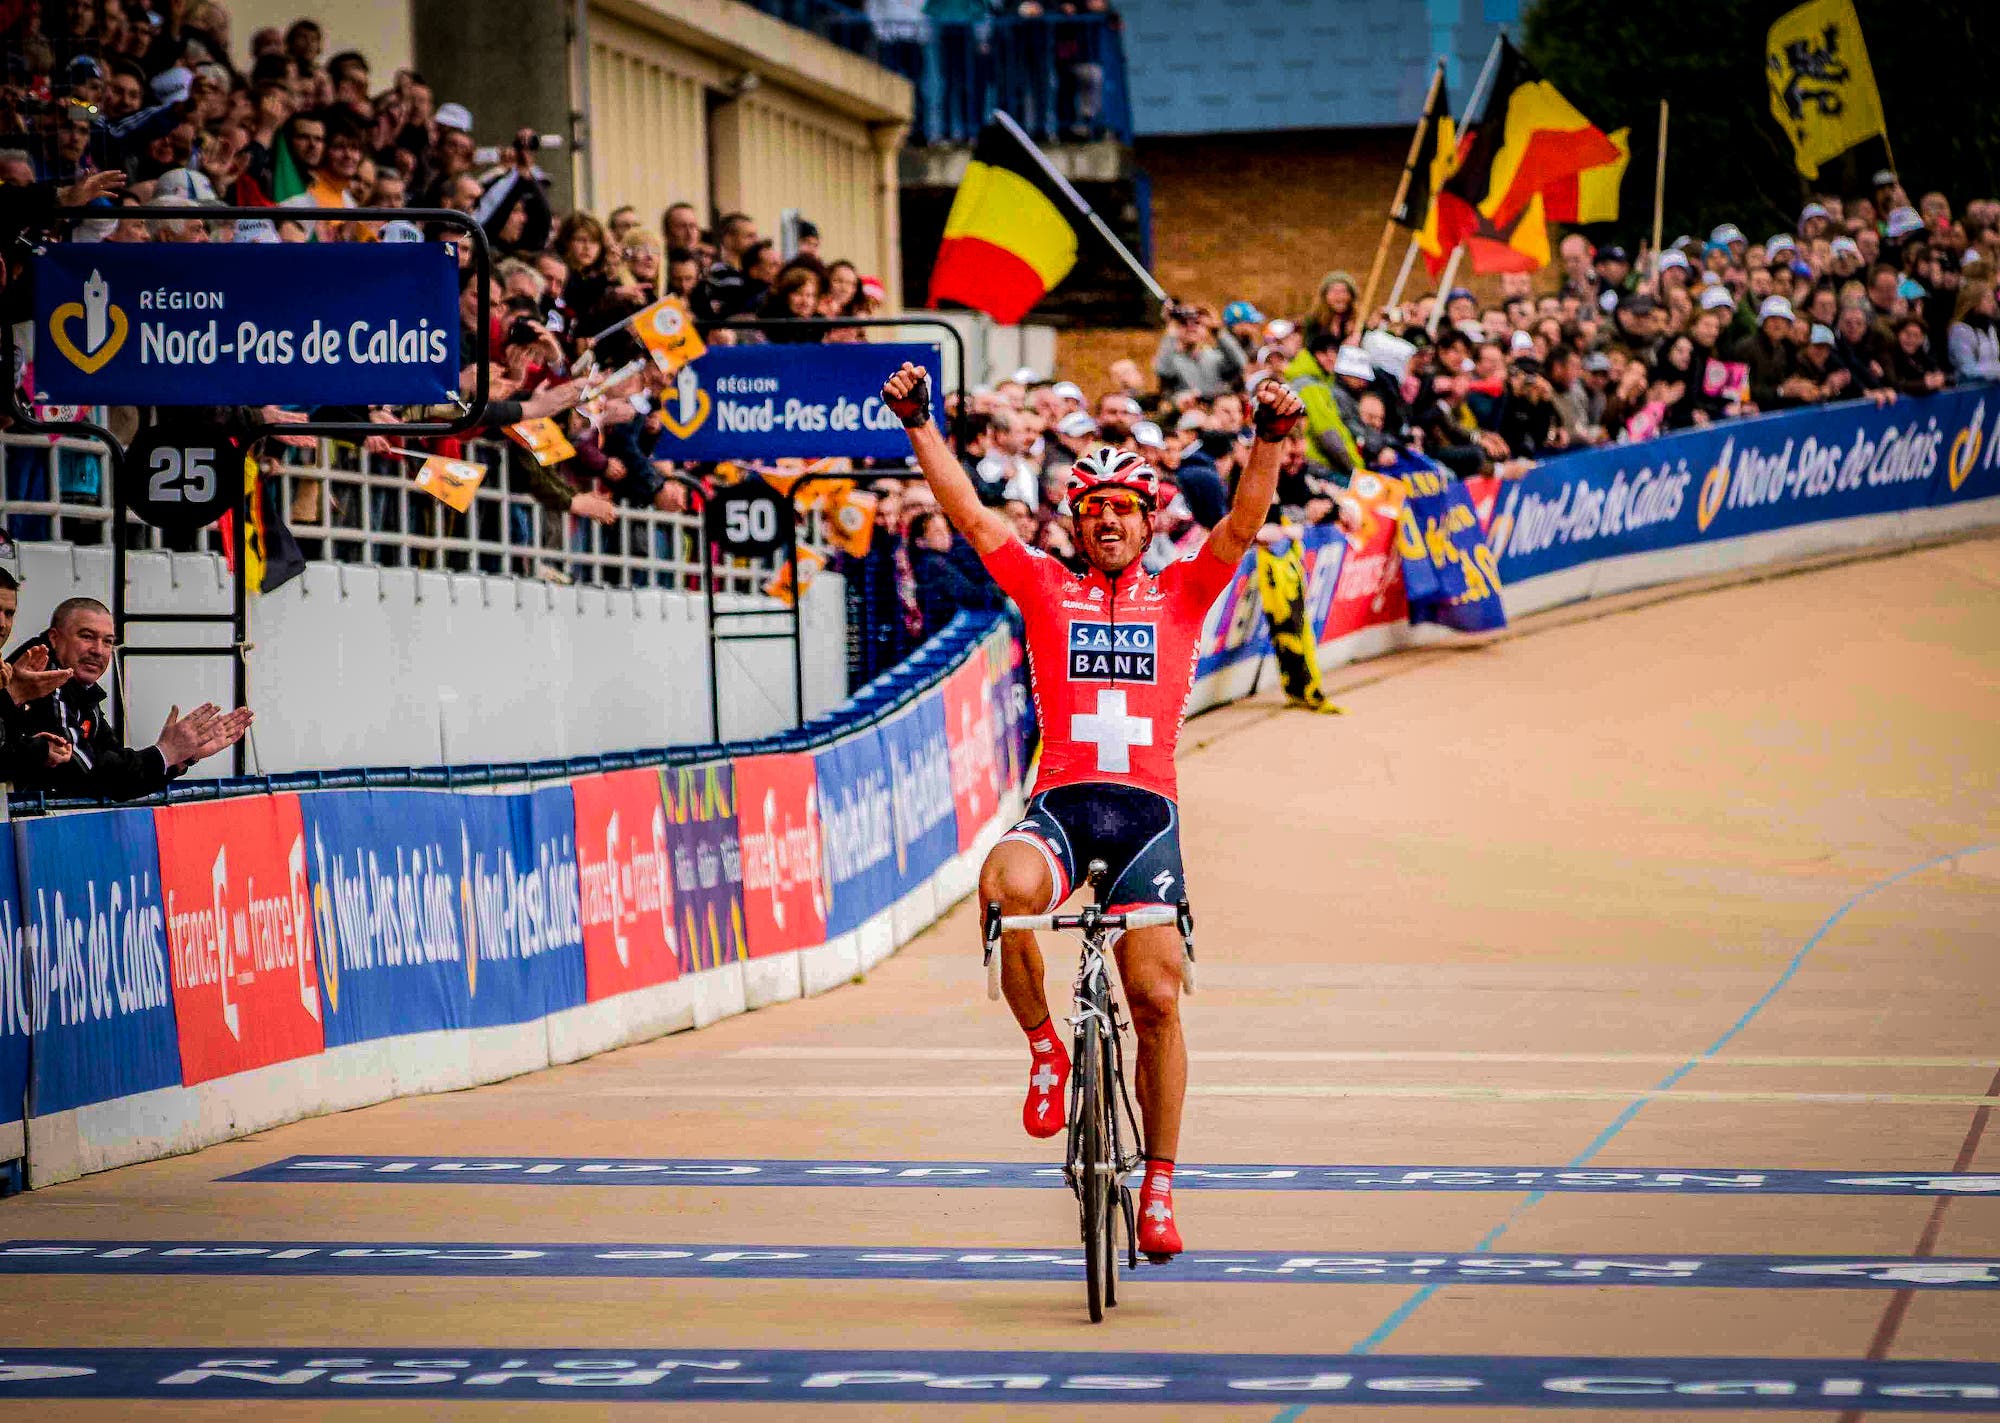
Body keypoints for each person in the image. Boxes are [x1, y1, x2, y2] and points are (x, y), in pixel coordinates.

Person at [879, 358, 1304, 1263]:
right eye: (1093, 508)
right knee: (1003, 886)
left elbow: (1242, 521)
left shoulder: (1184, 591)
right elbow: (971, 515)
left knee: (1154, 999)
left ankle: (1158, 1185)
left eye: (1125, 507)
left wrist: (1267, 440)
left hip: (1147, 820)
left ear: (1150, 520)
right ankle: (1044, 1047)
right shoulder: (1045, 588)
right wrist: (921, 425)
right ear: (1076, 523)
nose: (1109, 519)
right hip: (1064, 810)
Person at [3, 597, 253, 800]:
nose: (98, 650)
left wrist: (181, 756)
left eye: (108, 641)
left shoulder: (81, 689)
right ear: (55, 639)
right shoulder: (44, 678)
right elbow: (88, 774)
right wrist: (164, 752)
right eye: (87, 636)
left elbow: (118, 779)